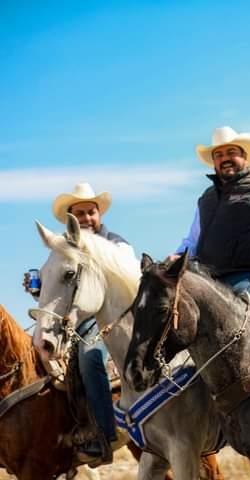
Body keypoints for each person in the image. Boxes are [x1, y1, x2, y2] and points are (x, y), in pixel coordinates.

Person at [24, 182, 130, 466]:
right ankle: (57, 431)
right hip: (72, 322)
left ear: (99, 214)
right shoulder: (62, 249)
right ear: (72, 219)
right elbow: (59, 286)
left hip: (107, 319)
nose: (86, 218)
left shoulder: (116, 243)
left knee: (88, 359)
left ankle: (103, 434)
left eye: (90, 212)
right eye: (79, 213)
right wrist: (37, 289)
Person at [171, 126, 250, 293]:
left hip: (249, 276)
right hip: (206, 278)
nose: (225, 159)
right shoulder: (206, 198)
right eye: (219, 155)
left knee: (243, 304)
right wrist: (178, 256)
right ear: (214, 162)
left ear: (244, 157)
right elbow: (193, 239)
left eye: (231, 153)